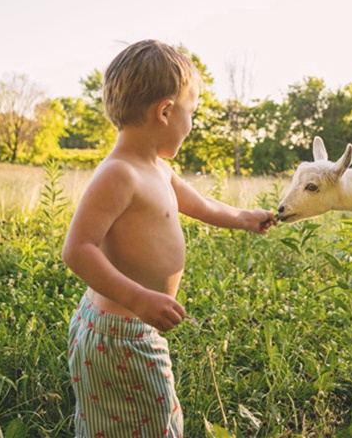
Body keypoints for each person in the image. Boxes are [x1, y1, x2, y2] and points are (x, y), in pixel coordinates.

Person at [62, 40, 276, 437]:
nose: (191, 124)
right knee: (153, 425)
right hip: (120, 330)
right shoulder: (119, 174)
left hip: (129, 327)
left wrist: (245, 218)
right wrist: (139, 297)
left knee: (123, 424)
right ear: (164, 111)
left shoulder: (156, 169)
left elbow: (202, 205)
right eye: (190, 113)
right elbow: (77, 249)